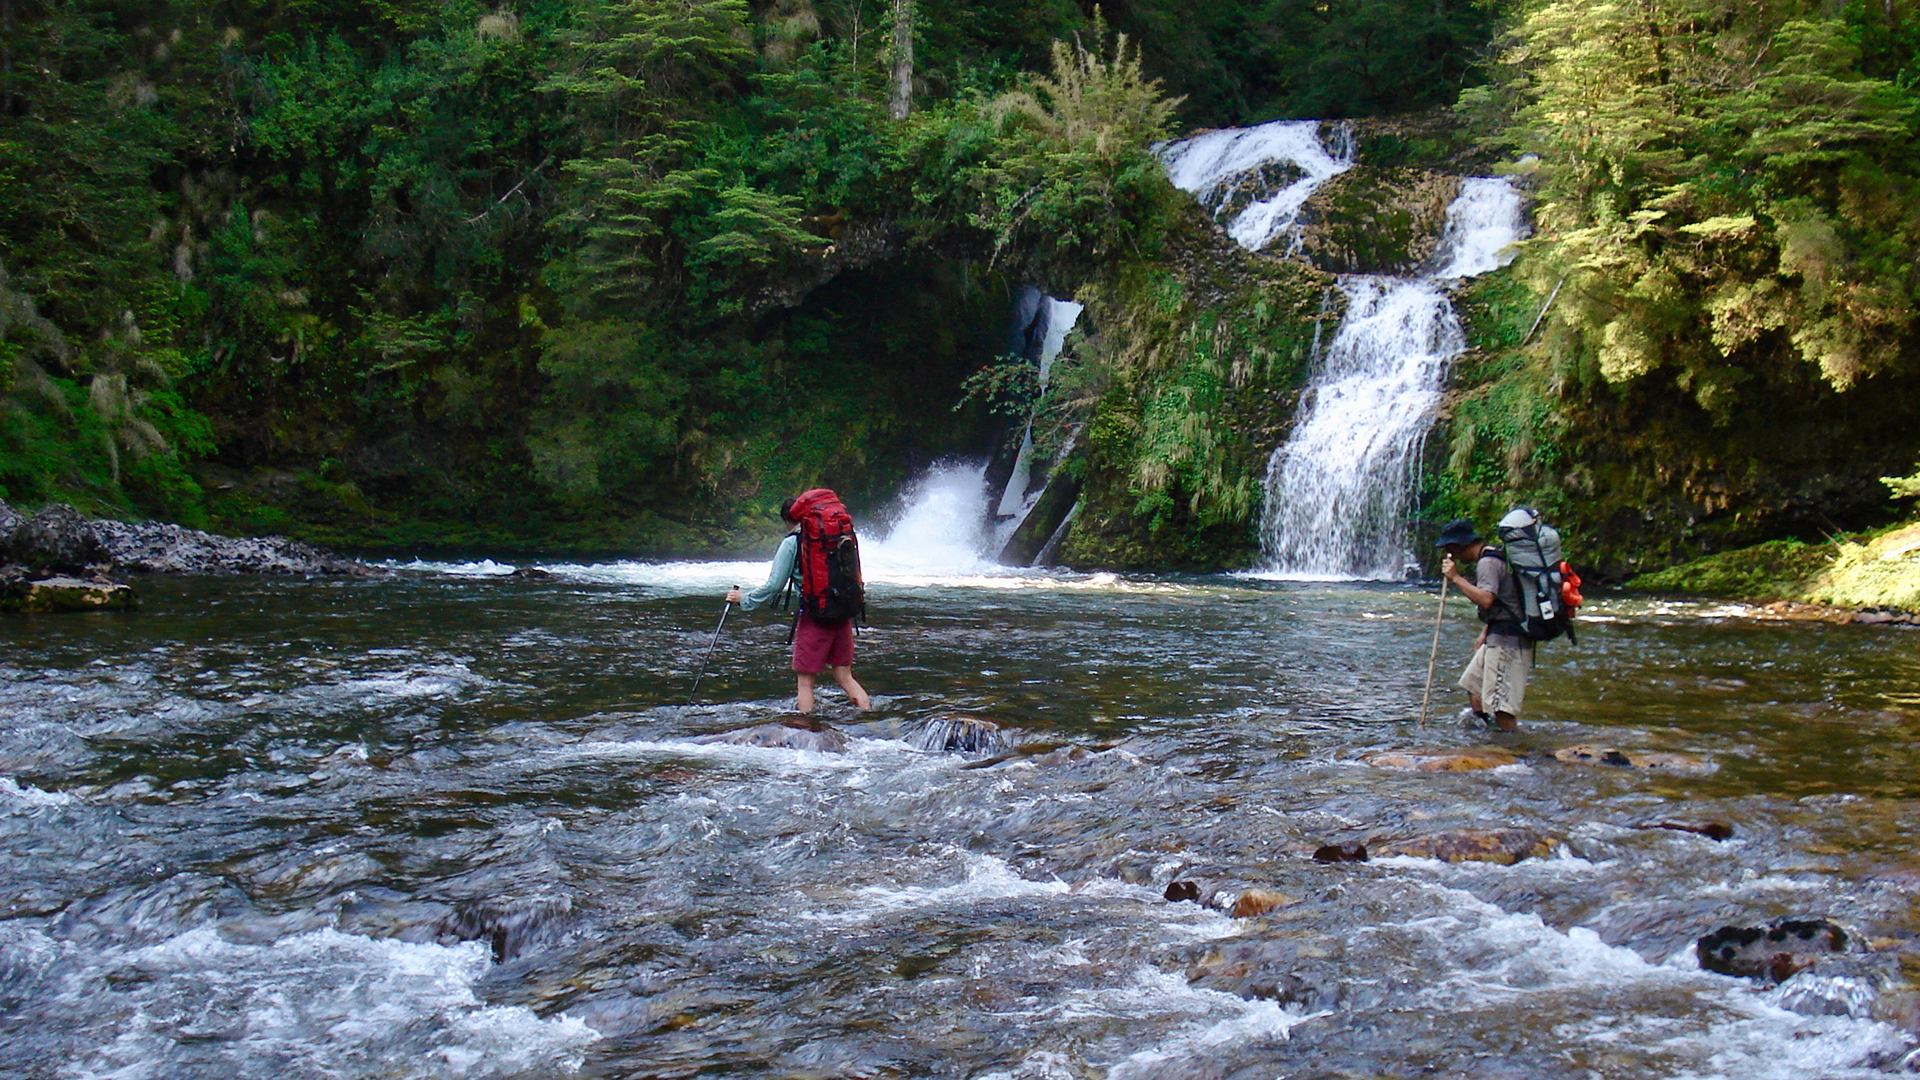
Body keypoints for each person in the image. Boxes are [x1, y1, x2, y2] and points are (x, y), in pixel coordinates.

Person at [725, 497, 872, 715]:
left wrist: (744, 599)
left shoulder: (793, 542)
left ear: (787, 519)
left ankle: (804, 730)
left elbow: (775, 584)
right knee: (844, 676)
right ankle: (870, 718)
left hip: (815, 615)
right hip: (843, 611)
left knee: (805, 681)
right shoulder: (834, 535)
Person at [1436, 518, 1529, 731]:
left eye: (1451, 549)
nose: (1452, 555)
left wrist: (1456, 578)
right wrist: (1485, 631)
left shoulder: (1487, 563)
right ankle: (1488, 735)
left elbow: (1487, 599)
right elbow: (1505, 600)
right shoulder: (1495, 555)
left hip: (1508, 640)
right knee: (1473, 685)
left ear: (1460, 545)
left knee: (1501, 707)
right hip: (1497, 633)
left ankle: (1510, 751)